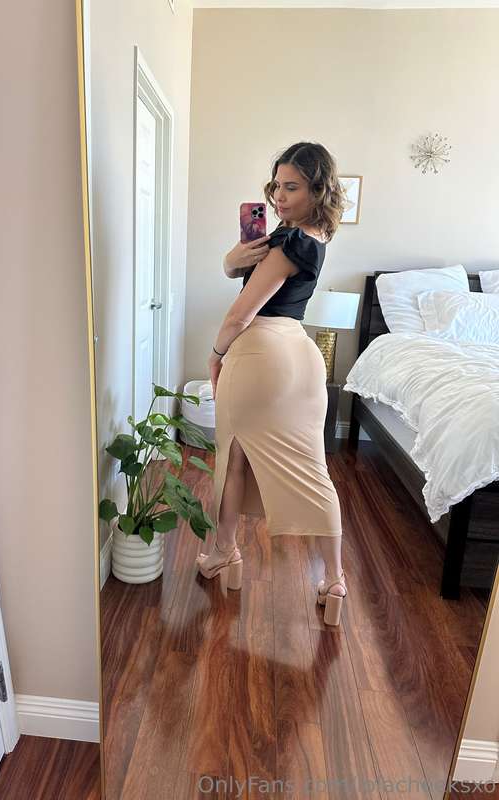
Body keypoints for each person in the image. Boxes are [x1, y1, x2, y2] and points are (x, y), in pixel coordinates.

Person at [196, 141, 347, 626]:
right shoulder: (313, 235)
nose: (280, 196)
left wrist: (216, 354)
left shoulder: (289, 242)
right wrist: (233, 258)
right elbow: (236, 270)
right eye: (277, 186)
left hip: (260, 353)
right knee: (314, 469)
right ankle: (335, 580)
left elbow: (240, 314)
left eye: (292, 187)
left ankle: (225, 552)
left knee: (233, 456)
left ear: (316, 189)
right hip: (299, 354)